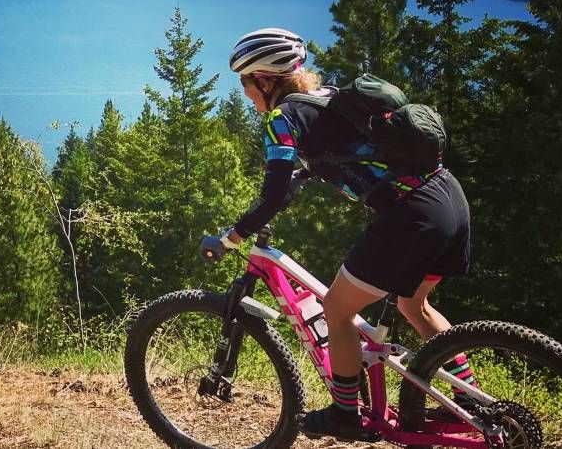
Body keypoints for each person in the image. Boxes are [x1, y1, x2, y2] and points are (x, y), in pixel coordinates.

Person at [200, 28, 475, 442]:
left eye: (245, 84)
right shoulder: (327, 97)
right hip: (448, 198)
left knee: (337, 310)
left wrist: (230, 237)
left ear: (265, 79)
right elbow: (328, 156)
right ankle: (469, 401)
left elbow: (272, 196)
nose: (245, 96)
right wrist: (298, 177)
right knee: (413, 306)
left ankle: (346, 415)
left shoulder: (282, 119)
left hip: (411, 214)